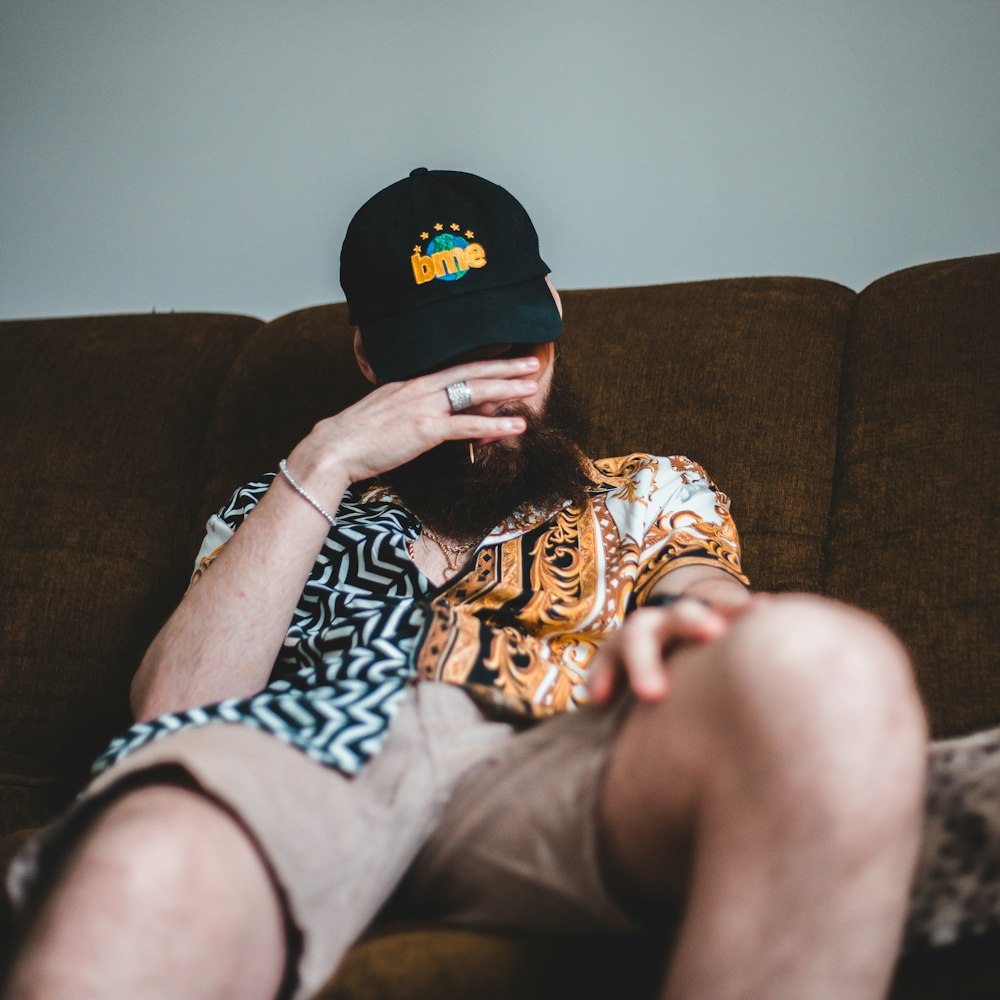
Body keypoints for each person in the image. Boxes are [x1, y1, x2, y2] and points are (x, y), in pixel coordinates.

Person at [3, 168, 930, 1000]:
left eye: (509, 349)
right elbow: (177, 710)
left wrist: (703, 625)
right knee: (141, 861)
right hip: (312, 762)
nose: (488, 393)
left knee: (829, 662)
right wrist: (327, 460)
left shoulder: (649, 487)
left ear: (555, 312)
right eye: (444, 362)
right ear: (370, 361)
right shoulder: (279, 503)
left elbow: (702, 588)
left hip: (564, 758)